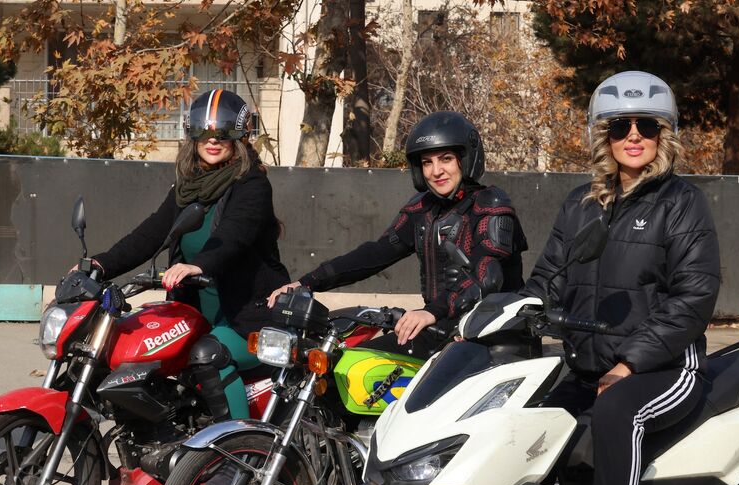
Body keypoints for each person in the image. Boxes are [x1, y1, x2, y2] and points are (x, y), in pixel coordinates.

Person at [525, 71, 720, 485]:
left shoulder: (680, 203)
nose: (633, 136)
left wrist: (630, 361)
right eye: (619, 126)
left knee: (615, 409)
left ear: (664, 134)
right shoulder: (581, 203)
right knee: (524, 417)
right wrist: (509, 315)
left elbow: (694, 297)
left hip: (665, 368)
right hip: (587, 363)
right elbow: (547, 279)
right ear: (602, 135)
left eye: (646, 125)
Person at [84, 90, 290, 422]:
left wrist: (198, 264)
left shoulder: (252, 185)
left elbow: (233, 235)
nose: (212, 140)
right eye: (203, 132)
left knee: (209, 353)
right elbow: (151, 234)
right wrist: (100, 264)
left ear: (239, 136)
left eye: (223, 133)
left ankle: (240, 450)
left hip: (247, 320)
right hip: (195, 313)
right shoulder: (189, 186)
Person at [266, 111, 526, 359]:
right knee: (349, 366)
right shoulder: (422, 209)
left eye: (445, 159)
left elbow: (486, 277)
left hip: (494, 337)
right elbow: (374, 254)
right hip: (441, 329)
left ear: (466, 159)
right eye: (427, 162)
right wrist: (307, 283)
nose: (436, 171)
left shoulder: (490, 206)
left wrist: (431, 312)